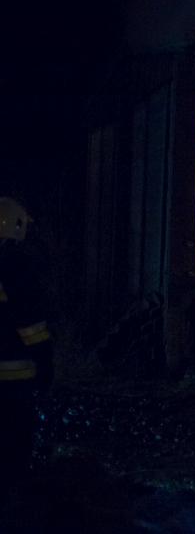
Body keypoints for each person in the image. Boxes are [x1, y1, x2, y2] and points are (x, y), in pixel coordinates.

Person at [0, 198, 53, 490]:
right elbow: (29, 322)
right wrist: (45, 359)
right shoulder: (13, 265)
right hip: (12, 381)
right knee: (14, 455)